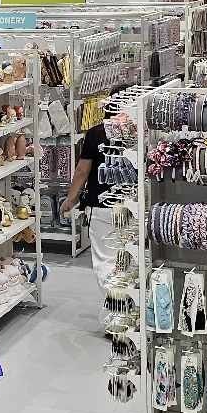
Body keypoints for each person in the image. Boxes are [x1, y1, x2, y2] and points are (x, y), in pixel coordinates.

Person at [61, 102, 128, 302]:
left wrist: (71, 199)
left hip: (101, 206)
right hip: (132, 205)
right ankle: (130, 305)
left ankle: (115, 308)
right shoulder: (139, 132)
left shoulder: (96, 133)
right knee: (130, 255)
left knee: (105, 259)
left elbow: (82, 170)